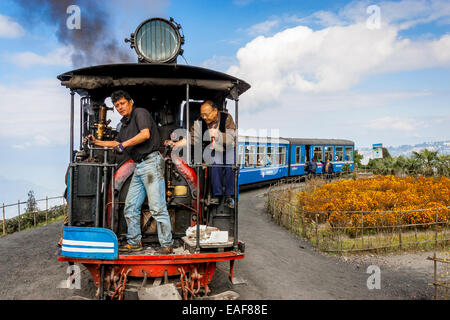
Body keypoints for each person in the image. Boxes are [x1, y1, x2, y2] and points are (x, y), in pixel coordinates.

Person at [85, 90, 173, 254]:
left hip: (152, 163)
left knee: (157, 207)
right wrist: (96, 141)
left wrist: (124, 145)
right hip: (139, 166)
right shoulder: (125, 125)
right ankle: (135, 242)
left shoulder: (140, 113)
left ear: (130, 102)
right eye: (117, 105)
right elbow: (115, 143)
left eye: (122, 103)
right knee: (131, 207)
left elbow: (145, 134)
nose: (119, 107)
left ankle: (167, 244)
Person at [165, 100, 236, 208]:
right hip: (213, 150)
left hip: (228, 148)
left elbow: (231, 138)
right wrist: (176, 144)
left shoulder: (227, 118)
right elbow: (191, 138)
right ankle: (216, 195)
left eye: (206, 114)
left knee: (231, 164)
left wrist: (218, 135)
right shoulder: (200, 121)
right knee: (215, 162)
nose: (204, 117)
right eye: (202, 114)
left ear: (215, 111)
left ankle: (229, 196)